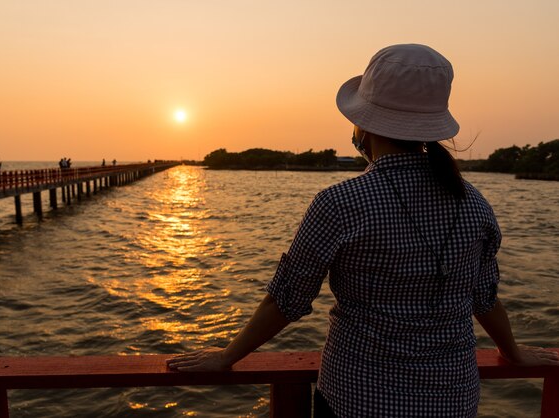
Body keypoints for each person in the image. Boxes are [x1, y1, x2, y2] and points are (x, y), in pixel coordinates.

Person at [166, 44, 559, 416]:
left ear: (363, 124)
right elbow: (484, 298)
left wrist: (226, 356)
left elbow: (286, 301)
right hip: (453, 399)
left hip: (359, 397)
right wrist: (512, 351)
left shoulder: (341, 203)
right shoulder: (473, 203)